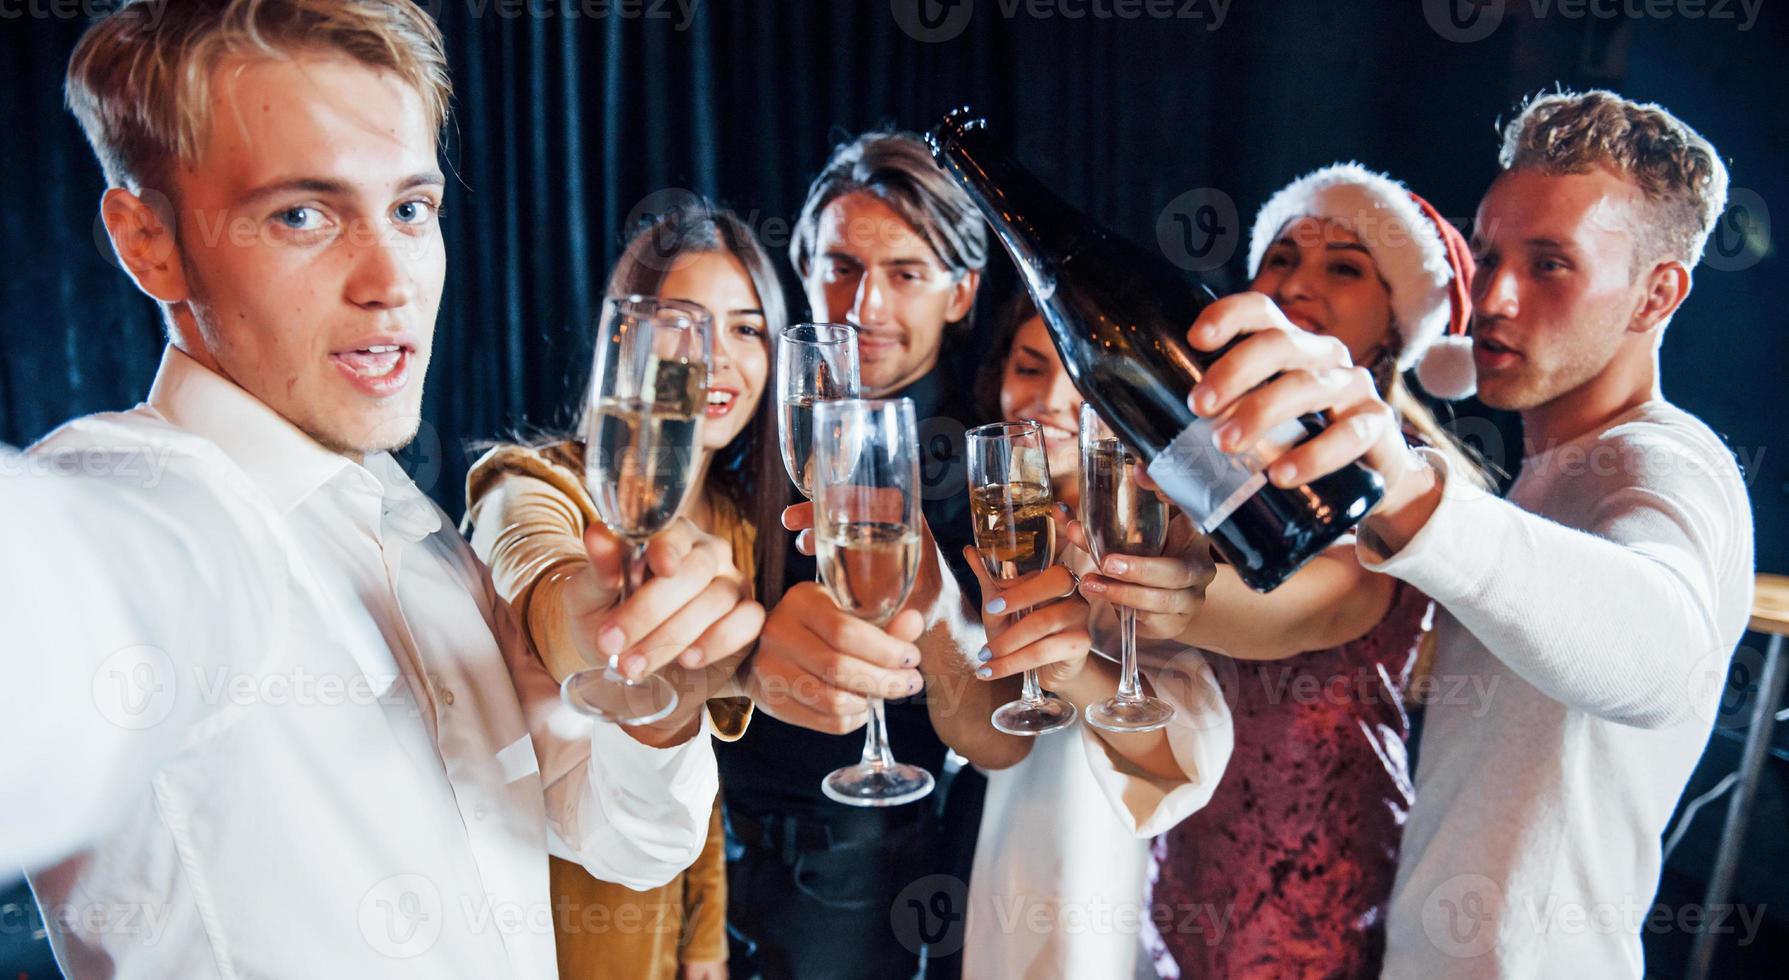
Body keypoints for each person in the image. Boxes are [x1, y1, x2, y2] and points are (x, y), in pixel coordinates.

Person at [7, 2, 752, 973]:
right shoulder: (144, 504)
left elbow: (620, 835)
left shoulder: (418, 531)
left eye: (410, 208)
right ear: (149, 240)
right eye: (302, 214)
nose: (390, 277)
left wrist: (653, 703)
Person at [1179, 91, 1754, 977]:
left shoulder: (1664, 465)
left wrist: (1407, 488)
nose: (1493, 296)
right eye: (1485, 256)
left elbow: (1662, 656)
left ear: (1655, 294)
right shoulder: (1544, 475)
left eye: (1550, 264)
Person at [1136, 164, 1488, 978]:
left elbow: (1303, 610)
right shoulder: (1211, 448)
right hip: (1189, 852)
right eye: (1281, 257)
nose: (1299, 281)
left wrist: (1105, 575)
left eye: (1344, 266)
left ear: (1396, 327)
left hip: (1315, 880)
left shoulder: (1402, 482)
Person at [723, 130, 1017, 980]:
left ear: (961, 294)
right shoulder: (748, 415)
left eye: (905, 274)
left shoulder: (988, 458)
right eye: (840, 266)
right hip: (716, 826)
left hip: (872, 852)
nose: (863, 308)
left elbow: (989, 720)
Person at [464, 203, 785, 980]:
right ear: (624, 345)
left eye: (745, 329)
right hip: (561, 926)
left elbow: (694, 767)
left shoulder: (740, 523)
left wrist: (704, 940)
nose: (716, 360)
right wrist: (592, 621)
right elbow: (538, 580)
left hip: (674, 931)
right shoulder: (532, 482)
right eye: (683, 326)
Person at [959, 293, 1233, 980]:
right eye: (1026, 368)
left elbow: (1185, 750)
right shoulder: (998, 529)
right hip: (989, 860)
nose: (1047, 399)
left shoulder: (1158, 544)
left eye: (1078, 381)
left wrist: (1074, 671)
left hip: (1102, 877)